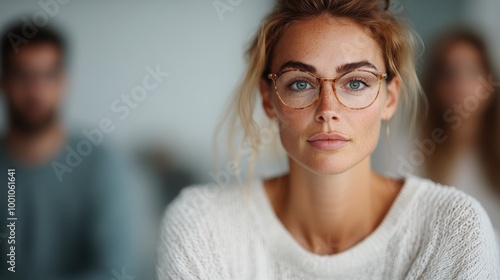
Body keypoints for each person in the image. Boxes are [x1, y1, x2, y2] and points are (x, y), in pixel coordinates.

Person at [157, 0, 500, 279]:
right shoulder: (203, 226)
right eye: (300, 83)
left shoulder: (455, 230)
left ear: (390, 98)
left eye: (355, 83)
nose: (327, 109)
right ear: (268, 98)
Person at [0, 22, 150, 280]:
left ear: (63, 83)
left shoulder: (103, 165)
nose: (35, 90)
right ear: (3, 81)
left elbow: (117, 271)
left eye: (47, 75)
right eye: (22, 75)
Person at [420, 29, 500, 240]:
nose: (460, 85)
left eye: (471, 71)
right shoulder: (415, 149)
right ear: (435, 85)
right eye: (449, 73)